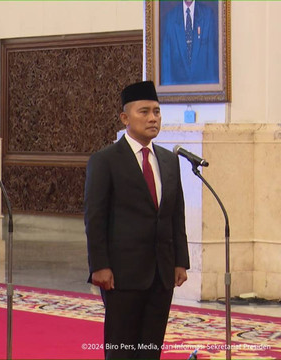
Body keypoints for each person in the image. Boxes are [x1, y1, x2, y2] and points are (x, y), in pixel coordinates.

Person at [84, 80, 190, 359]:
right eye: (144, 112)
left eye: (156, 111)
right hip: (121, 274)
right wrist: (100, 266)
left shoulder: (168, 160)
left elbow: (175, 214)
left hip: (161, 273)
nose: (153, 118)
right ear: (125, 117)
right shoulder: (105, 160)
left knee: (150, 349)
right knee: (122, 348)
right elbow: (95, 217)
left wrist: (180, 261)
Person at [160, 0, 219, 85]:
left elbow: (212, 61)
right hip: (177, 90)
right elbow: (167, 64)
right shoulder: (170, 18)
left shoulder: (208, 15)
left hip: (203, 89)